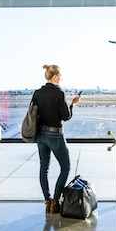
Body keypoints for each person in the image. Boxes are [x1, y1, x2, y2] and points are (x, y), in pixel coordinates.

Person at [33, 64, 81, 213]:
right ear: (54, 76)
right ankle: (55, 200)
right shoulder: (59, 93)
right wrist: (72, 105)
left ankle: (47, 201)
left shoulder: (37, 93)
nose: (61, 78)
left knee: (44, 168)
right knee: (65, 167)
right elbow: (65, 116)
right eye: (60, 75)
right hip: (54, 134)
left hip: (40, 134)